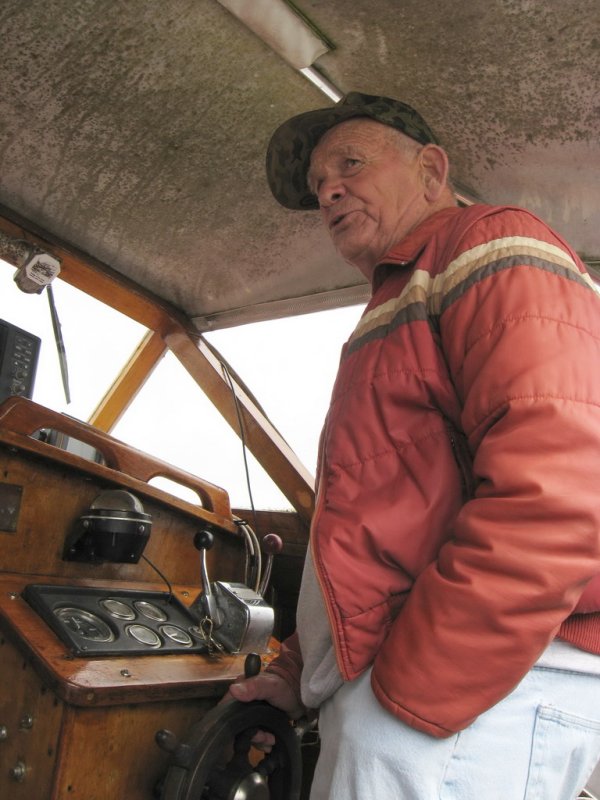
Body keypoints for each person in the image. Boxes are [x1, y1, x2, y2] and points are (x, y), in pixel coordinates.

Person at [228, 92, 600, 798]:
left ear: (431, 172)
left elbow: (561, 489)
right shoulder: (399, 298)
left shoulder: (489, 244)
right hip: (440, 692)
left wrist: (407, 699)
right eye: (318, 186)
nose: (329, 189)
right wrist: (299, 673)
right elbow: (378, 534)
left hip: (479, 690)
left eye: (351, 163)